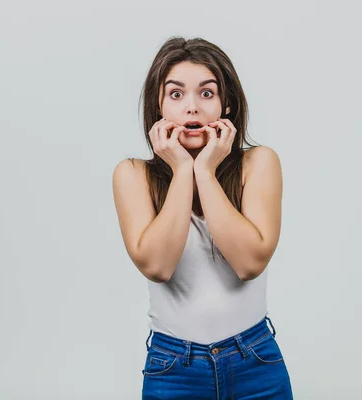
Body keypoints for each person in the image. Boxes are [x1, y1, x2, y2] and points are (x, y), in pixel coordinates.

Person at [112, 36, 294, 399]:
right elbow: (158, 266)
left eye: (207, 93)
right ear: (159, 105)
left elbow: (249, 263)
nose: (191, 108)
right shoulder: (133, 175)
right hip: (173, 368)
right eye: (176, 94)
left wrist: (206, 172)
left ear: (226, 105)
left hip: (255, 361)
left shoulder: (258, 163)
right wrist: (182, 169)